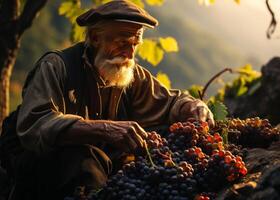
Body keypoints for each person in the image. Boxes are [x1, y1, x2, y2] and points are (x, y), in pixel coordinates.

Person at [12, 0, 214, 199]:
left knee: (163, 138)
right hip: (45, 175)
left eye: (135, 44)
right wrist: (104, 129)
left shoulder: (130, 73)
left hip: (101, 173)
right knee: (82, 157)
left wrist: (193, 106)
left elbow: (170, 102)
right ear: (95, 37)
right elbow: (36, 125)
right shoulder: (56, 67)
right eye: (122, 43)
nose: (130, 53)